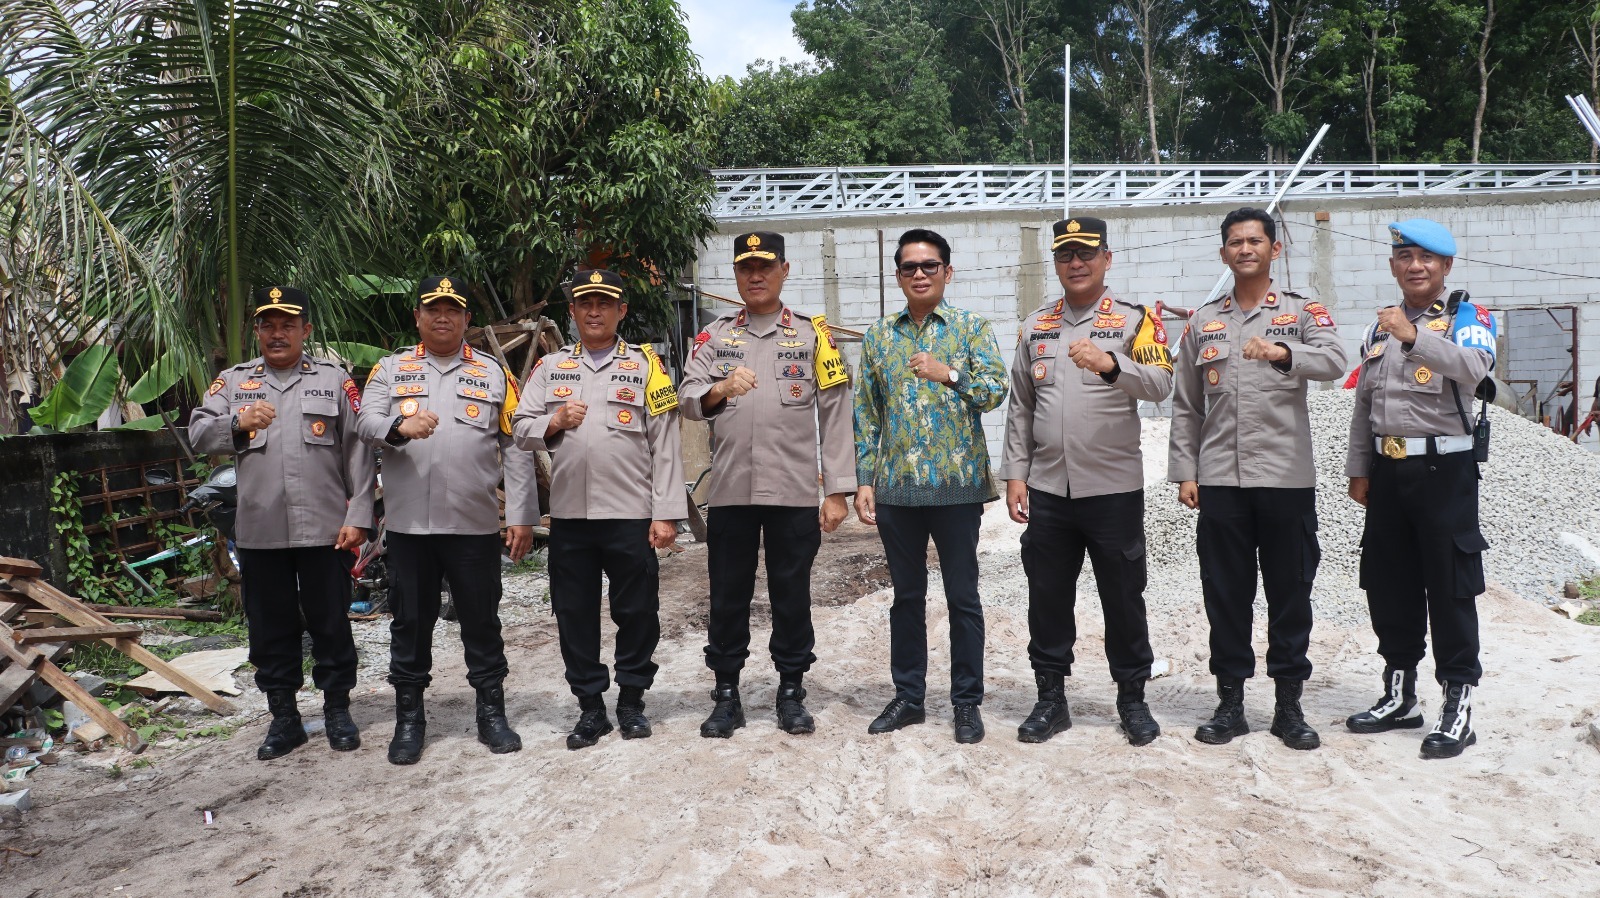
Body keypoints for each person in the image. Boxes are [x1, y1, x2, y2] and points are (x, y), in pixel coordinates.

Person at [1167, 207, 1348, 751]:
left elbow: (1337, 360)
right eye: (1235, 242)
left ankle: (1289, 707)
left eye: (1255, 241)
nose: (1245, 249)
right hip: (1220, 478)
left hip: (1286, 478)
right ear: (1223, 253)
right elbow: (1186, 405)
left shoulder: (1300, 311)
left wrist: (1282, 352)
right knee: (1226, 593)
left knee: (1290, 592)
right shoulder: (1204, 322)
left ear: (1275, 249)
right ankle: (1230, 704)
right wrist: (1185, 471)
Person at [999, 217, 1172, 747]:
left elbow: (1162, 382)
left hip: (1113, 489)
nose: (1076, 263)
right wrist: (1014, 475)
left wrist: (1111, 364)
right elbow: (1020, 407)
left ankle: (1132, 699)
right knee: (1047, 597)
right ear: (1056, 262)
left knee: (1123, 597)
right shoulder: (1036, 326)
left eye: (1086, 254)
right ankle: (1051, 698)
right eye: (1066, 255)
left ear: (1106, 259)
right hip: (1049, 488)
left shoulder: (1135, 322)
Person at [679, 232, 855, 738]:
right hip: (731, 491)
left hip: (793, 493)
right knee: (727, 596)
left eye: (764, 266)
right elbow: (687, 397)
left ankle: (792, 691)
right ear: (736, 275)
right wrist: (719, 388)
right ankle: (727, 694)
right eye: (745, 268)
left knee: (791, 595)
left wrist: (837, 489)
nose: (755, 276)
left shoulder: (812, 336)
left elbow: (835, 414)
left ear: (784, 270)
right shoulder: (713, 338)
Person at [189, 287, 374, 761]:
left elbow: (358, 450)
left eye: (287, 324)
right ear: (257, 331)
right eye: (268, 324)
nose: (277, 333)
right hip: (261, 532)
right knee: (270, 629)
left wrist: (359, 517)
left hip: (326, 530)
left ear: (304, 330)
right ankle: (284, 718)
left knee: (331, 623)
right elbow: (196, 432)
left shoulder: (332, 381)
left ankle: (337, 710)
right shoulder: (234, 382)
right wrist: (238, 419)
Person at [358, 276, 535, 764]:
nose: (442, 317)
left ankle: (491, 714)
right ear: (417, 316)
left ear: (466, 320)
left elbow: (516, 447)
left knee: (481, 621)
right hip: (411, 529)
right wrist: (399, 426)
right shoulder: (390, 369)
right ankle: (410, 720)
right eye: (433, 309)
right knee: (411, 623)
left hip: (474, 527)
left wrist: (520, 515)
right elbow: (365, 422)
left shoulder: (496, 374)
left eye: (452, 310)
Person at [513, 269, 685, 749]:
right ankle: (591, 708)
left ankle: (631, 700)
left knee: (638, 612)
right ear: (572, 312)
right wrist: (554, 420)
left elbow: (665, 443)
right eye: (585, 303)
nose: (594, 311)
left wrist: (666, 512)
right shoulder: (550, 368)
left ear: (621, 311)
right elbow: (518, 427)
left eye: (604, 303)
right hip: (570, 519)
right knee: (575, 614)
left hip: (630, 514)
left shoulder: (648, 366)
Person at [1345, 219, 1496, 760]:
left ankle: (1458, 702)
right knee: (1389, 582)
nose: (1416, 266)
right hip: (1388, 474)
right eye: (1405, 256)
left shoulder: (1468, 318)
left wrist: (1419, 338)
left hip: (1444, 475)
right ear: (1393, 265)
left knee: (1450, 586)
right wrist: (1358, 468)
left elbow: (1477, 371)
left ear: (1446, 267)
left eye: (1427, 258)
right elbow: (1364, 403)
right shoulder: (1378, 327)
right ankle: (1399, 693)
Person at [853, 228, 1007, 744]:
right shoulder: (878, 337)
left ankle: (967, 703)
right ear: (897, 275)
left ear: (947, 271)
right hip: (897, 490)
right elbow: (866, 414)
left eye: (929, 265)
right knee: (906, 598)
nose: (919, 274)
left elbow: (994, 393)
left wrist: (950, 374)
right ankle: (909, 697)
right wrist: (864, 481)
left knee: (963, 597)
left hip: (958, 489)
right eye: (909, 267)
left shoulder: (970, 328)